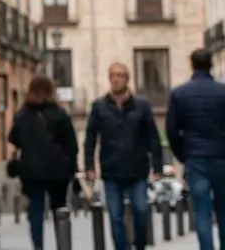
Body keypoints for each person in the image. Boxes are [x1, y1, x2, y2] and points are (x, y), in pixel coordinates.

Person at [84, 62, 164, 250]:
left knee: (141, 210)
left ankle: (140, 245)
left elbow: (153, 137)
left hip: (137, 169)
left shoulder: (142, 106)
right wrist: (89, 166)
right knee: (115, 217)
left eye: (120, 75)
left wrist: (158, 166)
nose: (116, 79)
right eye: (112, 75)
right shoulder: (99, 107)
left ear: (127, 79)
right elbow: (90, 138)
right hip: (111, 171)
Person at [8, 74, 79, 250]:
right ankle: (63, 243)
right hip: (57, 170)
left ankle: (38, 245)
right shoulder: (59, 114)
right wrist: (73, 168)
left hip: (31, 171)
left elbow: (14, 141)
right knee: (59, 210)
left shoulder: (22, 115)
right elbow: (71, 144)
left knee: (36, 210)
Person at [166, 48, 225, 250]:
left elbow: (172, 130)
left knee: (201, 210)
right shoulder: (222, 92)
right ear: (212, 64)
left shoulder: (180, 94)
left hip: (195, 159)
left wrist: (183, 155)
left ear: (192, 65)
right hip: (221, 158)